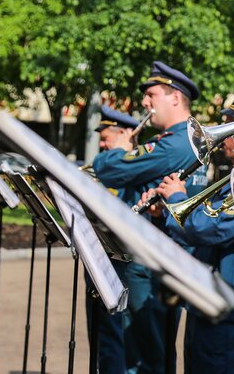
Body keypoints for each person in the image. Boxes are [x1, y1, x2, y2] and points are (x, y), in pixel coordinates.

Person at [140, 83, 234, 373]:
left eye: (227, 128)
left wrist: (176, 196)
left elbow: (208, 229)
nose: (220, 137)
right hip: (207, 299)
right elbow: (198, 227)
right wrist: (162, 212)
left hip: (226, 304)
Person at [93, 61, 207, 374]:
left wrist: (117, 149)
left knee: (144, 356)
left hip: (152, 261)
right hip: (159, 256)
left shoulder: (176, 143)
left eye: (151, 94)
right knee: (148, 350)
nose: (144, 102)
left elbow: (111, 170)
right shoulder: (181, 139)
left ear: (175, 98)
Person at [86, 105, 138, 374]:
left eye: (106, 138)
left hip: (121, 264)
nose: (102, 144)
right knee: (101, 337)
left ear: (124, 134)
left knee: (116, 338)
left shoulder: (130, 165)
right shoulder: (110, 164)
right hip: (98, 259)